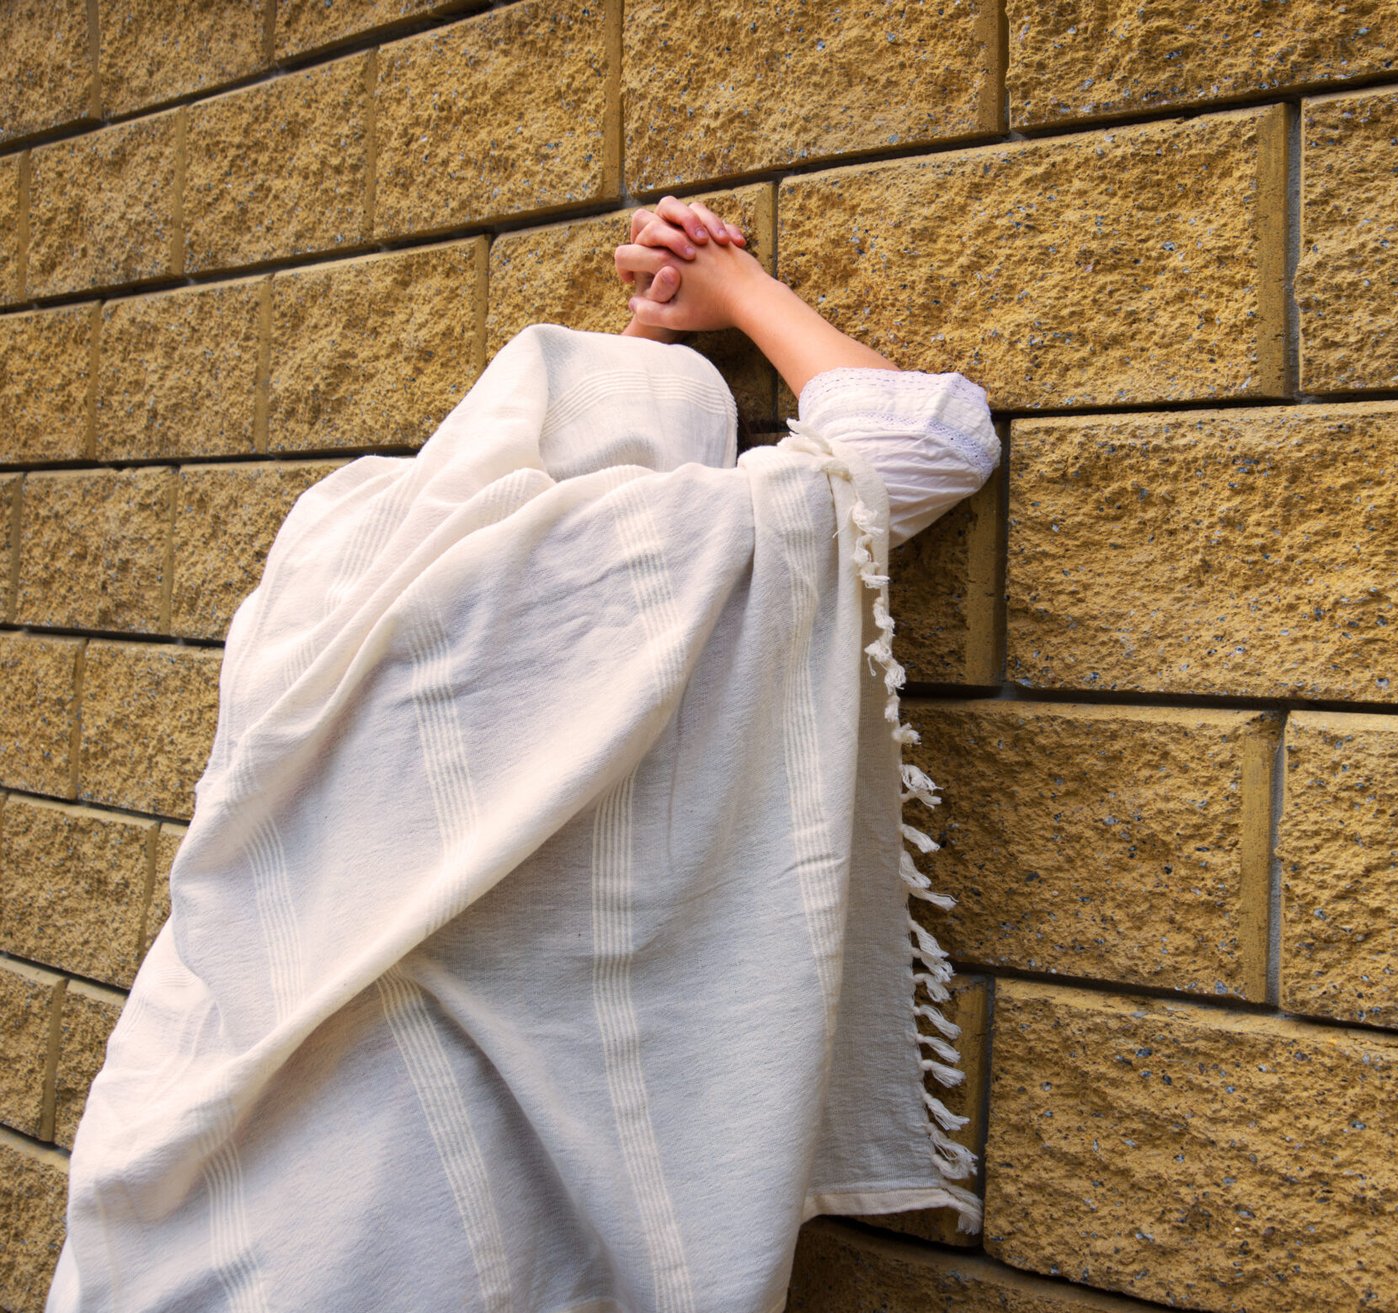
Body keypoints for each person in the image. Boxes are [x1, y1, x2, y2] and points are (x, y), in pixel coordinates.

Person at [48, 200, 999, 1313]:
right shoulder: (585, 578)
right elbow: (923, 437)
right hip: (392, 1207)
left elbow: (549, 453)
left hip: (197, 1150)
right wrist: (732, 285)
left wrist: (634, 355)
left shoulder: (339, 563)